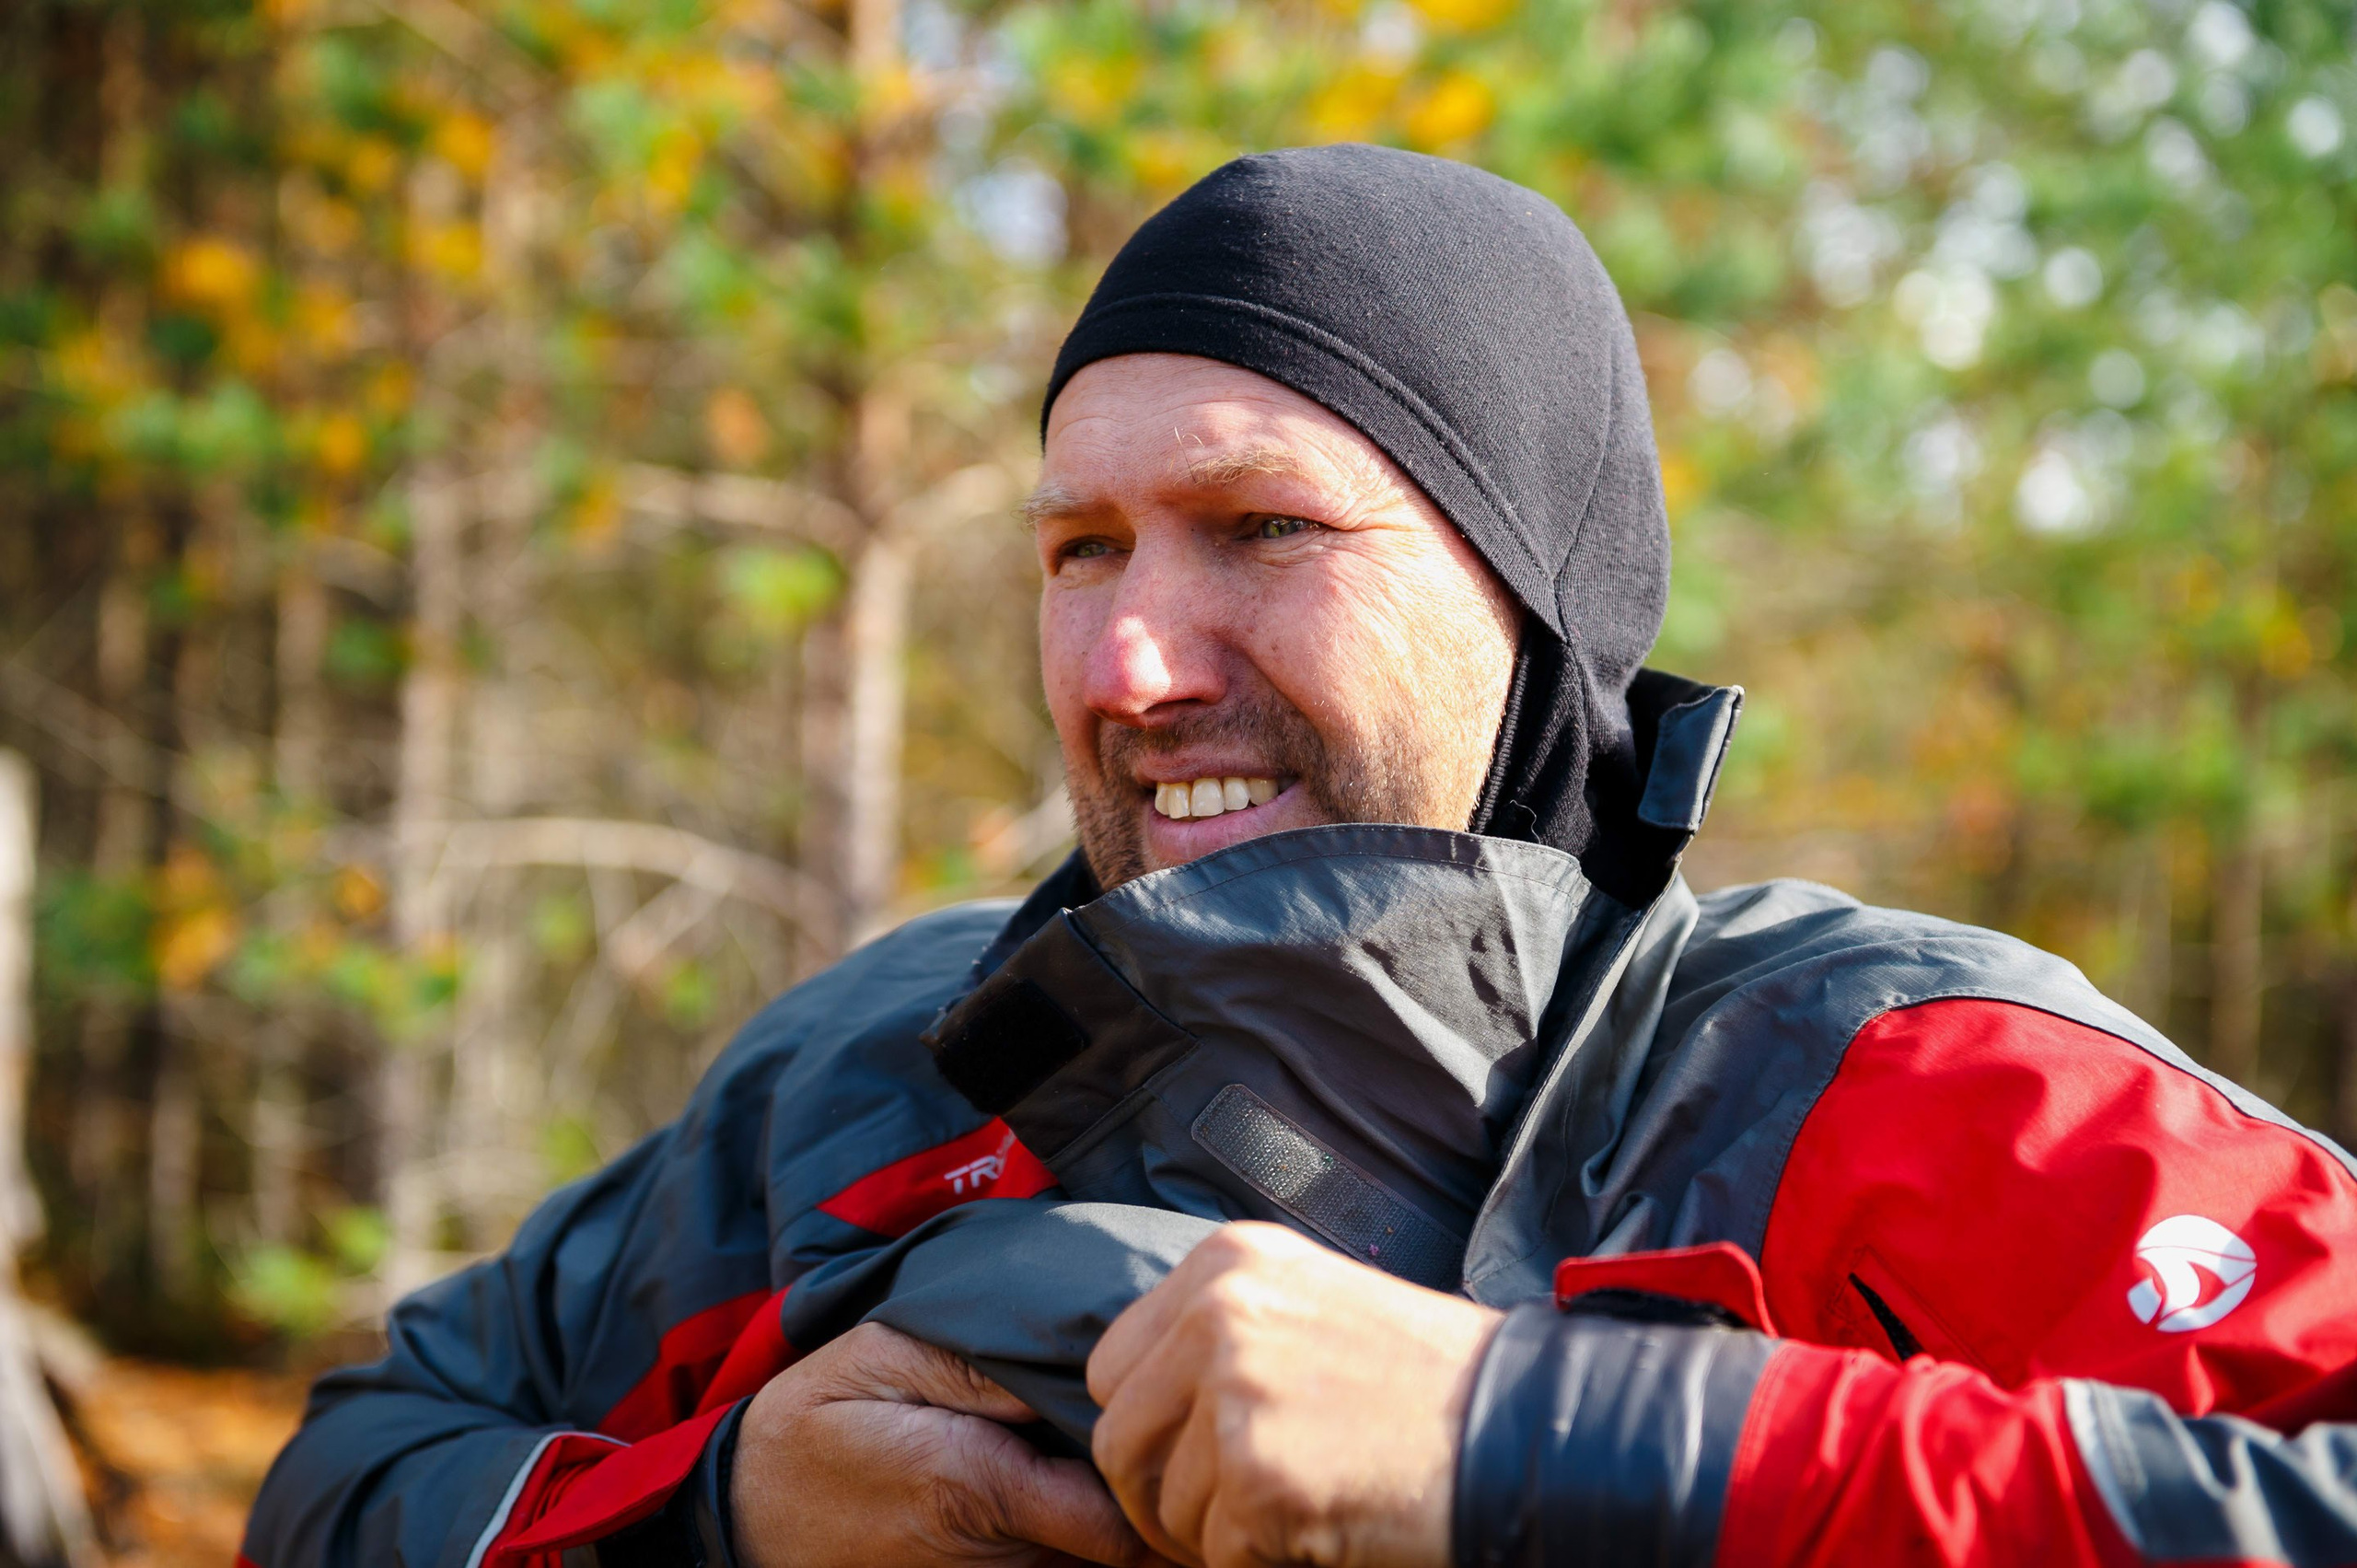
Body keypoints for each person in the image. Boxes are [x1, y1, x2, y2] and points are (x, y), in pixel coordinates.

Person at [244, 145, 2357, 1568]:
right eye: (1080, 549)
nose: (1134, 659)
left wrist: (1521, 1442)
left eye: (1262, 528)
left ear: (1530, 597)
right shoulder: (869, 1072)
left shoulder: (1875, 1085)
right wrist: (722, 1512)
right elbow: (346, 1474)